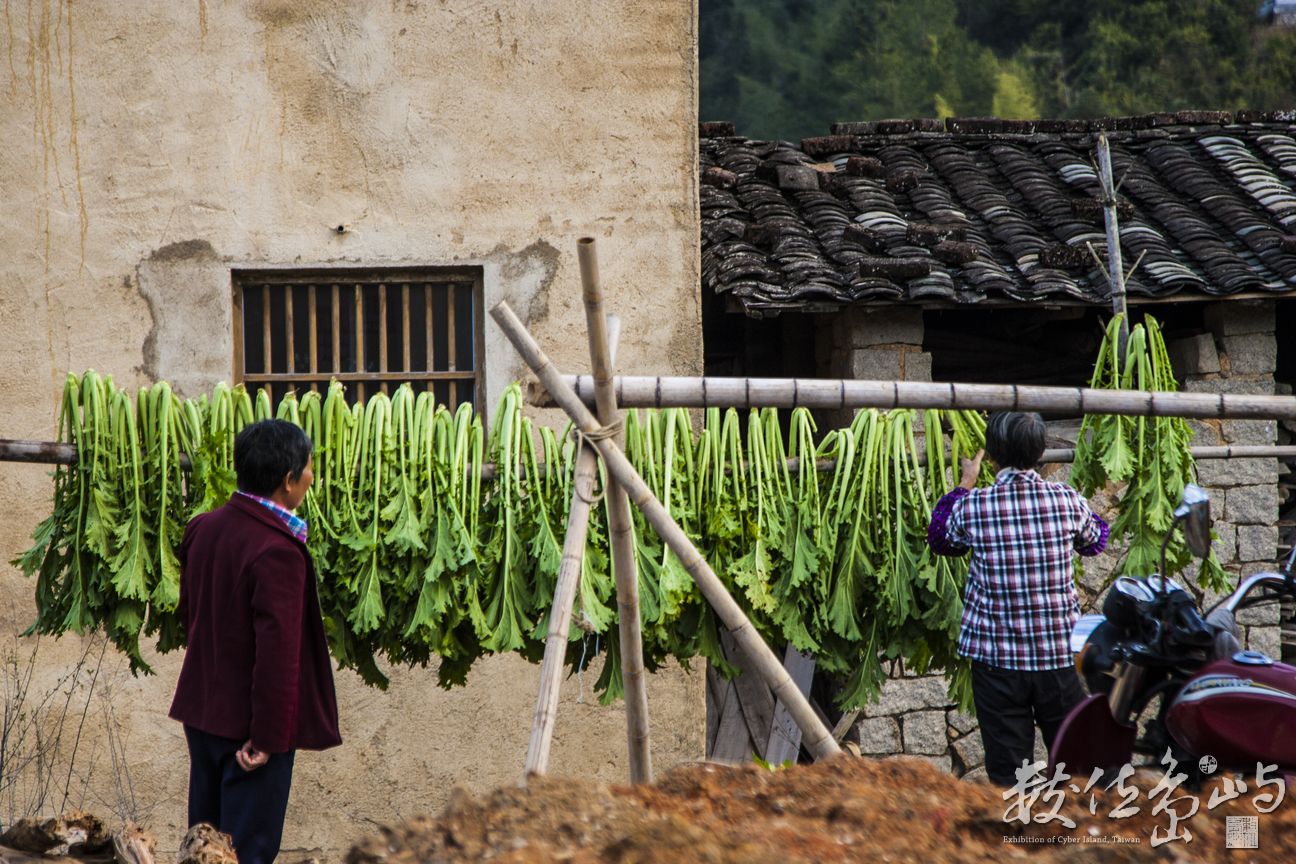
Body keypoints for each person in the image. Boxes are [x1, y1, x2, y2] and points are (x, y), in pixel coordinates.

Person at [169, 419, 342, 864]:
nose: (312, 476)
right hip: (250, 734)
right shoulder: (279, 551)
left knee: (203, 851)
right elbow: (278, 658)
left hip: (204, 718)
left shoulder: (202, 528)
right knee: (247, 853)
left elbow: (192, 618)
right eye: (308, 468)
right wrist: (265, 738)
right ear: (288, 480)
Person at [927, 411, 1108, 787]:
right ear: (1042, 452)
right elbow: (1096, 542)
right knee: (1076, 769)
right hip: (1057, 657)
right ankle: (1075, 838)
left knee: (1010, 776)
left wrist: (966, 481)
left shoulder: (974, 506)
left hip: (997, 665)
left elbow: (940, 538)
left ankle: (1017, 840)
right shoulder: (1066, 501)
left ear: (990, 456)